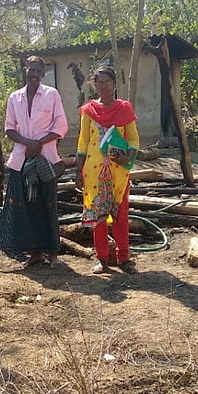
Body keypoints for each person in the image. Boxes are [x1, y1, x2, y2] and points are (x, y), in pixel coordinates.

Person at [0, 55, 69, 268]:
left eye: (38, 70)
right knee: (27, 207)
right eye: (31, 69)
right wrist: (28, 144)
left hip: (46, 160)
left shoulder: (51, 95)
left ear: (43, 73)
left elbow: (61, 126)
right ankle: (35, 253)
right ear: (25, 69)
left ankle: (52, 253)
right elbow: (9, 128)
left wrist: (39, 143)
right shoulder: (14, 98)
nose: (34, 74)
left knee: (48, 205)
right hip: (22, 160)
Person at [75, 65, 140, 274]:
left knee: (120, 214)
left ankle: (124, 258)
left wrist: (128, 156)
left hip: (118, 171)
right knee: (99, 217)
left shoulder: (124, 108)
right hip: (93, 172)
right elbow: (83, 141)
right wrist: (78, 170)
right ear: (95, 85)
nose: (103, 86)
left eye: (107, 82)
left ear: (114, 84)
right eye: (99, 82)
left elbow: (133, 138)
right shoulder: (88, 111)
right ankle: (102, 258)